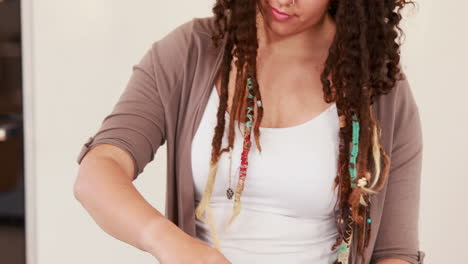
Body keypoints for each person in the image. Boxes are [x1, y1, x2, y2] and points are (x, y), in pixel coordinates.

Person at [73, 0, 425, 263]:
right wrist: (168, 242)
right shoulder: (189, 52)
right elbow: (98, 172)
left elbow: (395, 253)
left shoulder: (379, 90)